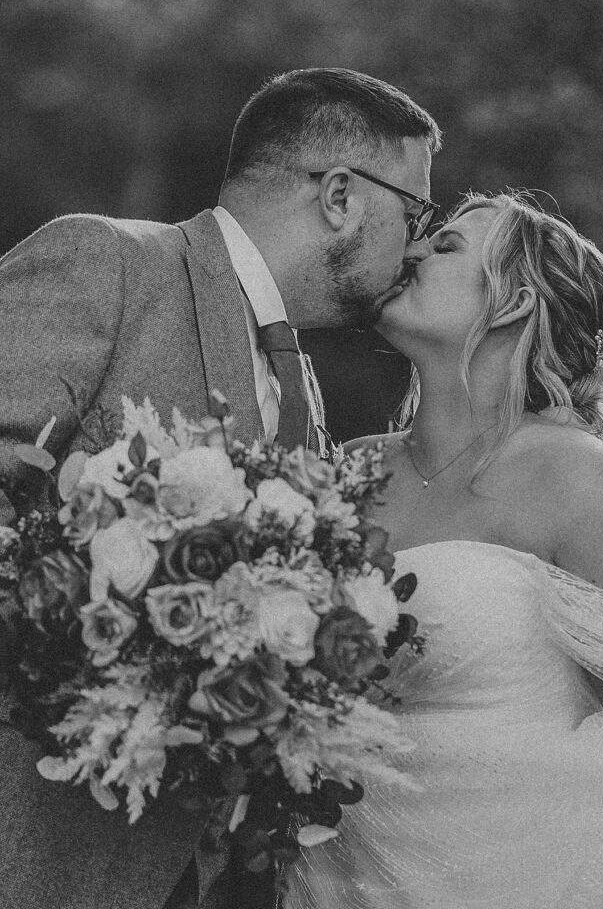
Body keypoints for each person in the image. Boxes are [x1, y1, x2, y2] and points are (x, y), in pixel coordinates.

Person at [0, 67, 441, 909]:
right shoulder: (111, 263)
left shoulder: (300, 386)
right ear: (341, 196)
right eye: (414, 213)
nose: (416, 245)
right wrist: (90, 625)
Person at [286, 191, 603, 909]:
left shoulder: (574, 478)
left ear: (512, 302)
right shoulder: (344, 472)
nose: (408, 253)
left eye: (444, 249)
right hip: (336, 879)